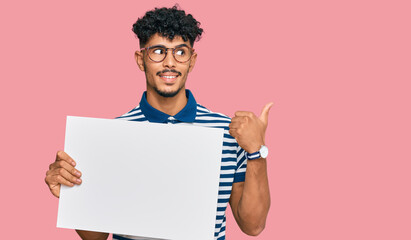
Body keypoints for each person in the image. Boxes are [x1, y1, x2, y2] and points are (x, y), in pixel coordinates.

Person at [45, 5, 271, 240]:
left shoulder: (229, 133)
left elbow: (252, 226)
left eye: (180, 52)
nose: (170, 63)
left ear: (191, 61)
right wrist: (70, 194)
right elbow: (96, 236)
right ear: (141, 59)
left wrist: (257, 151)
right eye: (158, 51)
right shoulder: (111, 136)